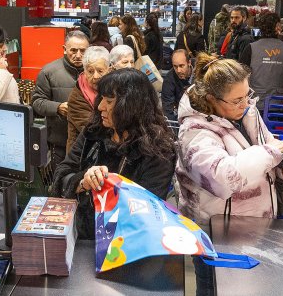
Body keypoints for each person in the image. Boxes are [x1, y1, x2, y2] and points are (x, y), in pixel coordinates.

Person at [177, 54, 283, 296]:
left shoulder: (244, 111)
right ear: (211, 99)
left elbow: (263, 148)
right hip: (211, 228)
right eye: (237, 99)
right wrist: (271, 154)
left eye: (248, 95)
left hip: (241, 225)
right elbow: (224, 178)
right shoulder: (194, 133)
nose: (246, 104)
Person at [52, 68, 177, 238]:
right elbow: (62, 173)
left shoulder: (158, 151)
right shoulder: (94, 132)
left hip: (123, 243)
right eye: (101, 98)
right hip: (79, 234)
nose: (100, 106)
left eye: (109, 101)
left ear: (132, 106)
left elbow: (147, 212)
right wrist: (82, 181)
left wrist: (110, 185)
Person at [32, 29, 89, 167]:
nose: (78, 55)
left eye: (83, 51)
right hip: (60, 143)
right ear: (64, 49)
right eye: (73, 50)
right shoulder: (48, 72)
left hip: (89, 142)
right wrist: (57, 107)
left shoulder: (95, 72)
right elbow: (37, 102)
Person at [240, 12, 283, 110]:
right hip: (280, 103)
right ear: (278, 26)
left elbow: (241, 74)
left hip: (255, 102)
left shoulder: (251, 48)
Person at [66, 46, 111, 151]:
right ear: (84, 71)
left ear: (108, 70)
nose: (95, 76)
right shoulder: (77, 97)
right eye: (90, 71)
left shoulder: (112, 89)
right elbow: (92, 129)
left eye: (100, 71)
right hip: (82, 153)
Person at [161, 49, 193, 122]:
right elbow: (167, 108)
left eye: (181, 66)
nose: (178, 70)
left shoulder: (200, 71)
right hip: (182, 115)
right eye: (175, 66)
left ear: (189, 63)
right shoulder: (169, 79)